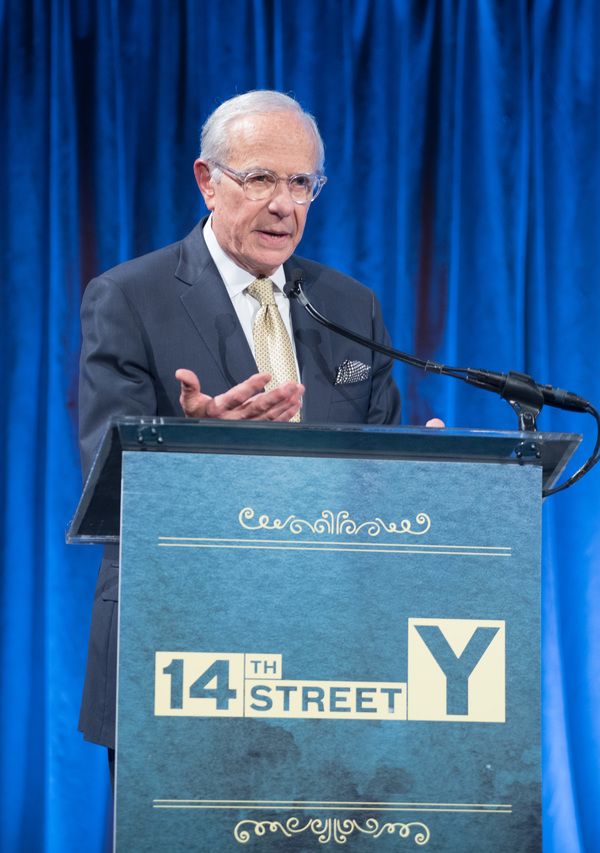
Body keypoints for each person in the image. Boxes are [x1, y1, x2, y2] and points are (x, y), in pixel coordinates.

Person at [77, 90, 409, 757]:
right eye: (260, 178)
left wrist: (421, 478)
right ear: (207, 181)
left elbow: (376, 478)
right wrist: (200, 444)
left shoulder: (348, 305)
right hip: (182, 650)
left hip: (330, 657)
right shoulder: (129, 298)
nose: (284, 205)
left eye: (301, 183)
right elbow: (108, 485)